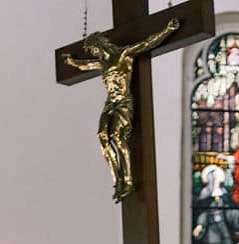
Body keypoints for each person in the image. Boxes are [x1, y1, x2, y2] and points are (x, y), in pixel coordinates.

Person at [62, 19, 179, 202]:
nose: (95, 54)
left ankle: (128, 180)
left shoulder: (124, 54)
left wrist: (167, 30)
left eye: (94, 50)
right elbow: (86, 65)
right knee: (102, 135)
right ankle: (117, 180)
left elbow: (147, 43)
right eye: (93, 52)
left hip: (124, 102)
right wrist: (72, 62)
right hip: (110, 103)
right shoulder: (103, 64)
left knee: (117, 137)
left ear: (100, 45)